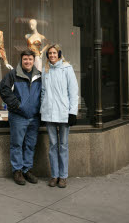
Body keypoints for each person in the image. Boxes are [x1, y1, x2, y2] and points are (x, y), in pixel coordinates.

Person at [0, 49, 41, 185]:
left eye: (30, 59)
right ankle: (17, 171)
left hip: (34, 117)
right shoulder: (13, 74)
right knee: (16, 144)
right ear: (21, 61)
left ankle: (27, 170)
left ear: (33, 61)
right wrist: (17, 105)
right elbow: (3, 89)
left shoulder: (39, 76)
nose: (27, 62)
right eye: (25, 59)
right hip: (18, 117)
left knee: (30, 145)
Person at [40, 44, 78, 188]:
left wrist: (72, 112)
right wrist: (41, 110)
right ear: (47, 56)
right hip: (49, 113)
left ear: (59, 54)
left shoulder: (67, 69)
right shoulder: (45, 70)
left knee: (63, 145)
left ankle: (63, 176)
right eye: (50, 53)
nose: (52, 55)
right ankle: (54, 175)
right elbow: (43, 92)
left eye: (54, 53)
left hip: (63, 114)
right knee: (53, 145)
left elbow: (73, 92)